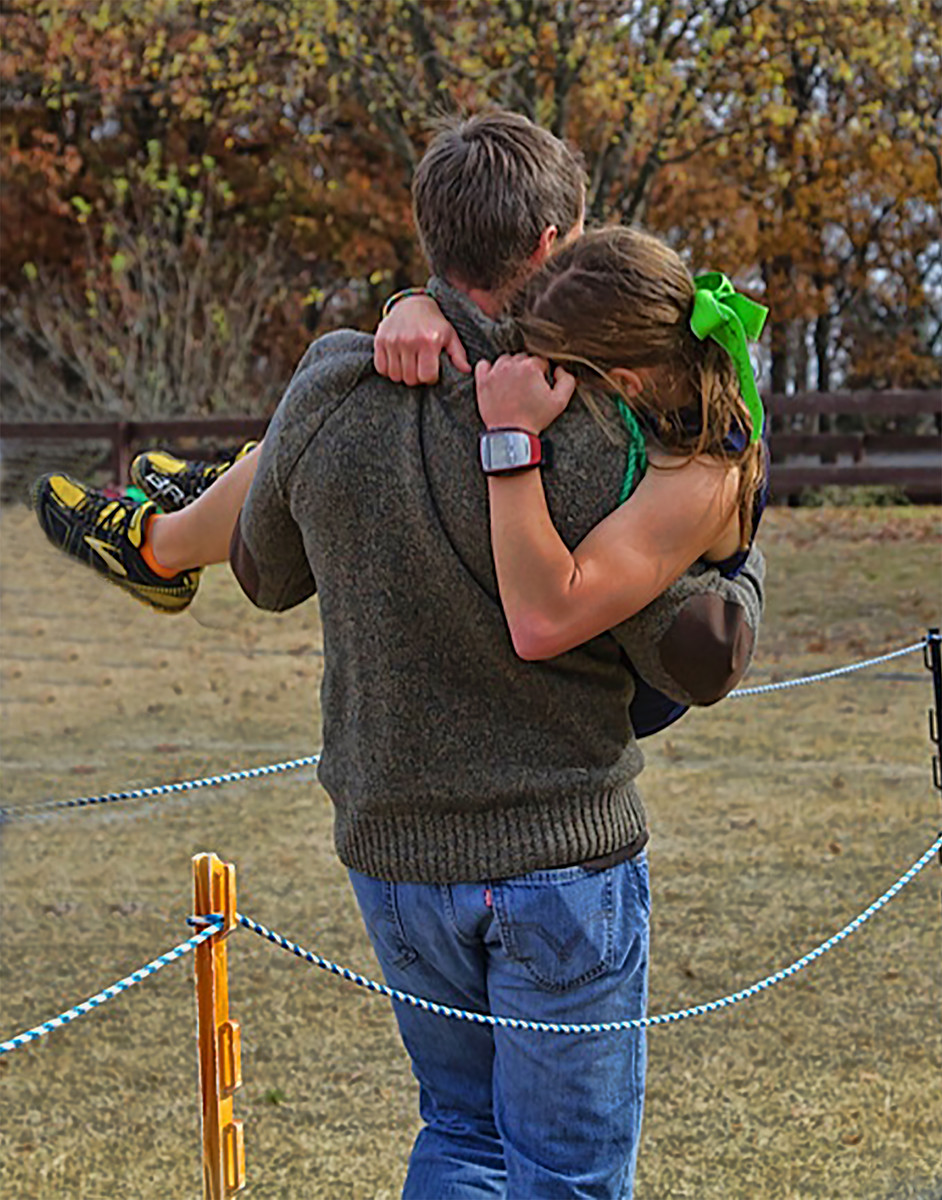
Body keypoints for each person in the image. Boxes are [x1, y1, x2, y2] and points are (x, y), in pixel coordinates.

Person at [32, 111, 766, 1196]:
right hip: (559, 844)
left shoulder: (336, 383)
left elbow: (271, 572)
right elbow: (684, 660)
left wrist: (402, 319)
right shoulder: (614, 439)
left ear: (433, 239)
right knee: (565, 1173)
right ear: (556, 246)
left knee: (463, 1139)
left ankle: (157, 529)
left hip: (396, 845)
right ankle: (163, 524)